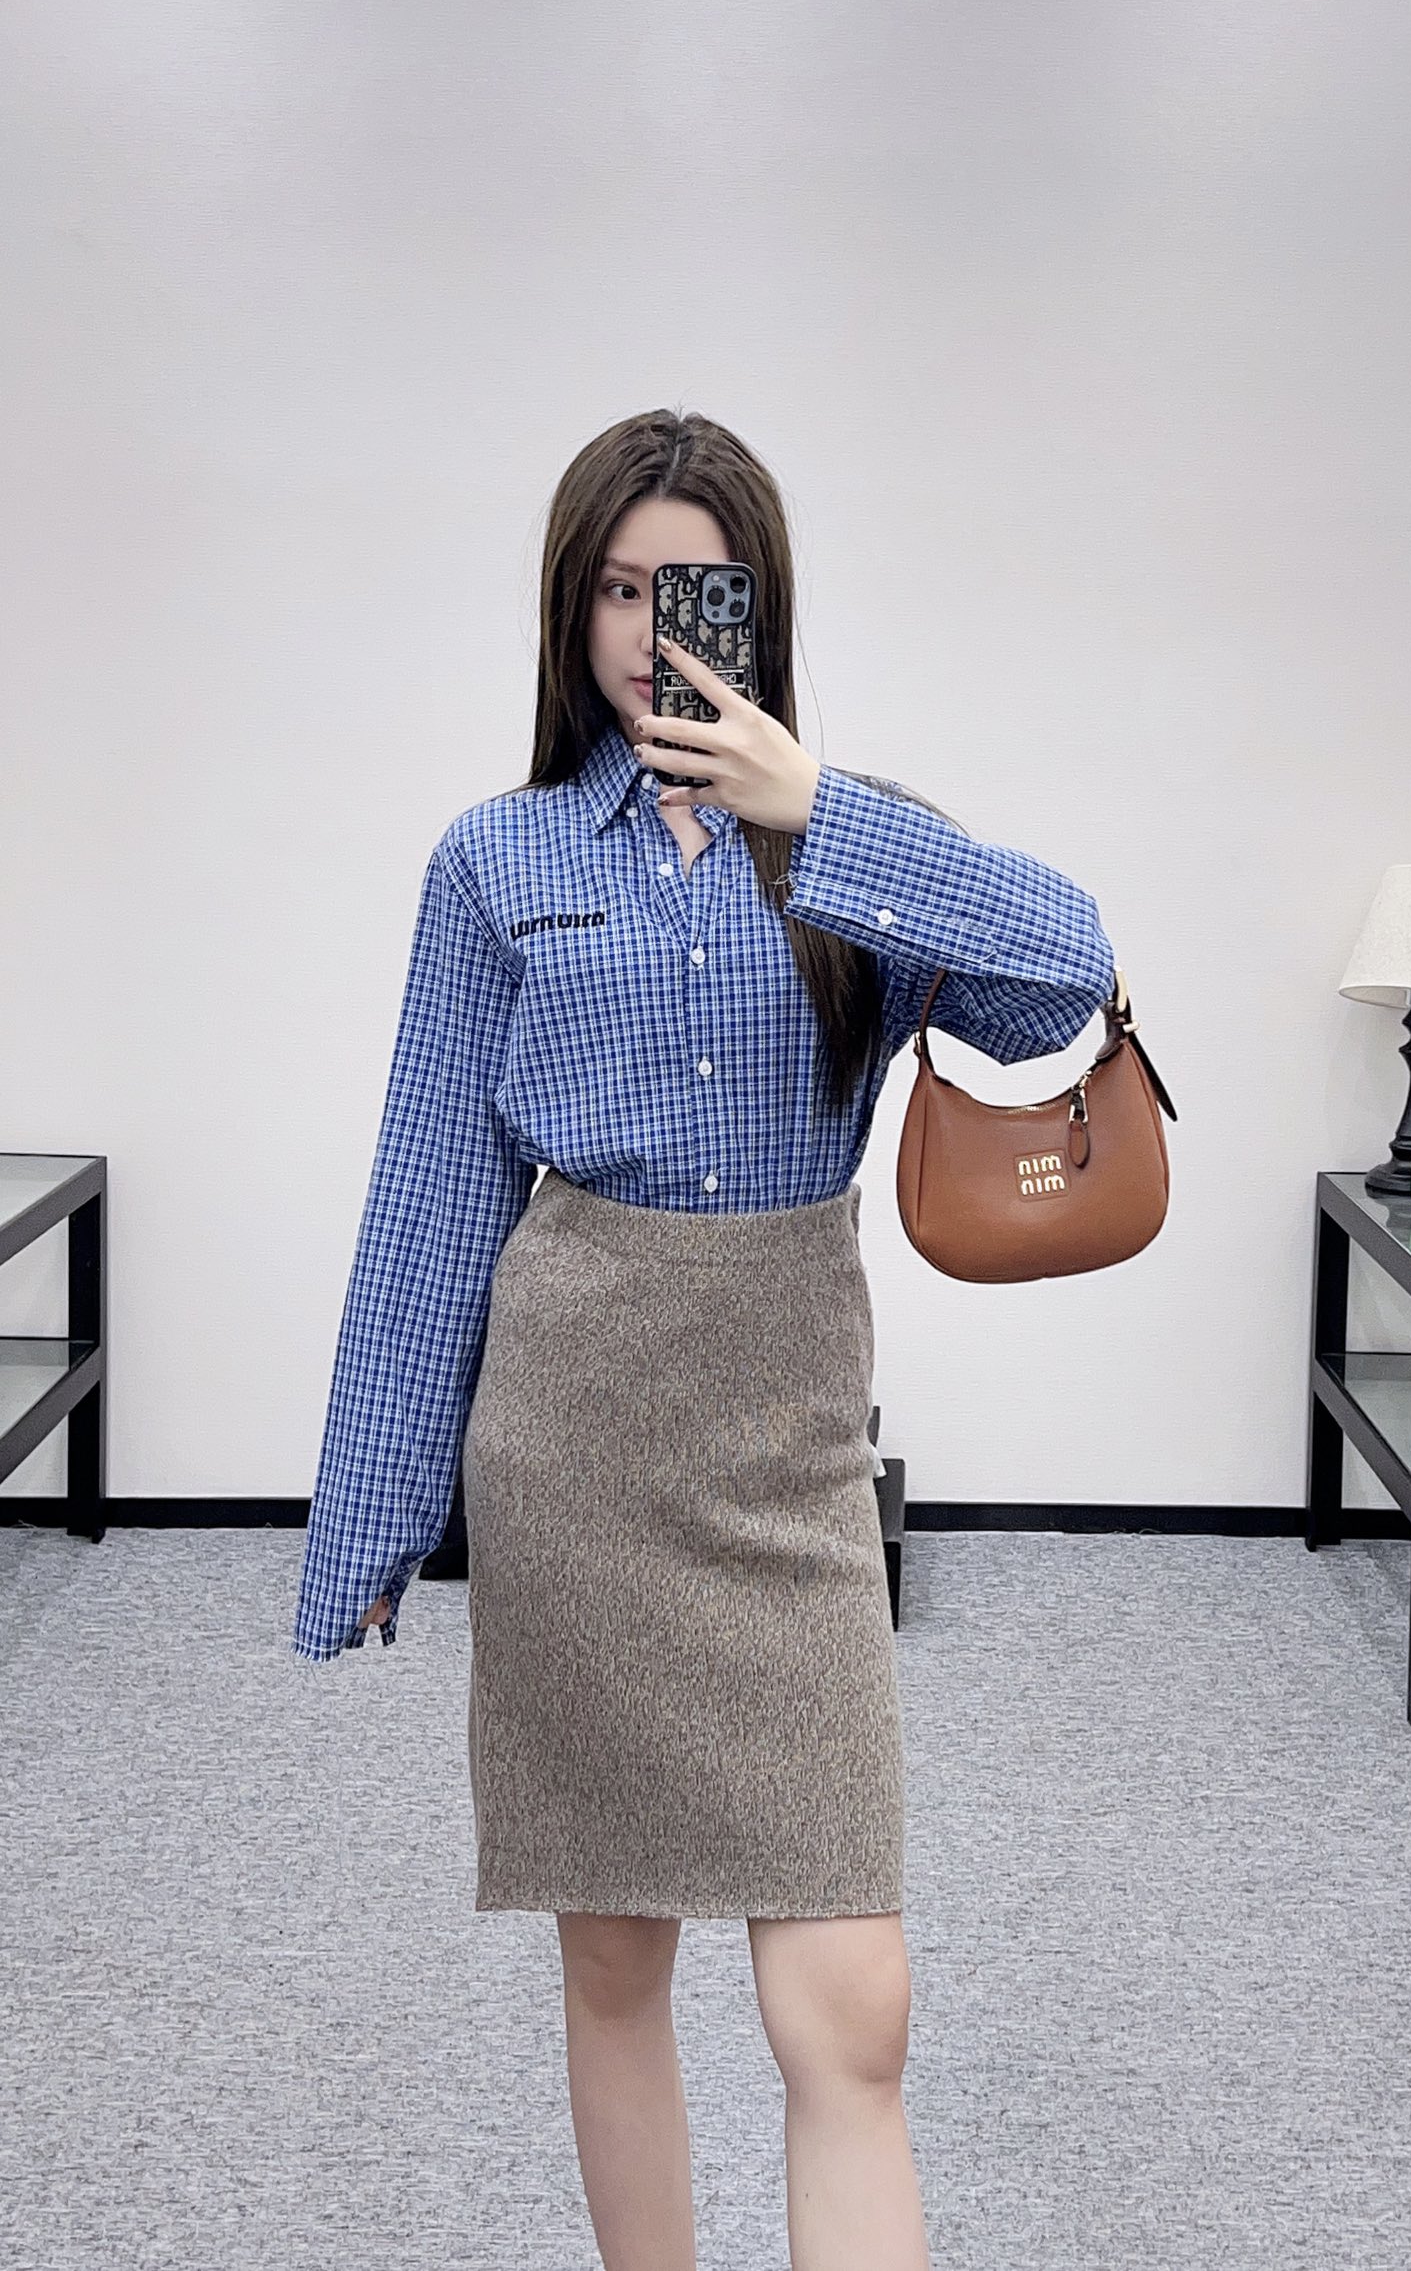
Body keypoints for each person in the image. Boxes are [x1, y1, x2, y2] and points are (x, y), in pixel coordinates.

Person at [292, 407, 1116, 2271]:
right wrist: (371, 1514)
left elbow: (1067, 972)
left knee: (856, 2004)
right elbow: (432, 1193)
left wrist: (817, 810)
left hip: (787, 1451)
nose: (650, 629)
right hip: (572, 1447)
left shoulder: (854, 841)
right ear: (568, 610)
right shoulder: (495, 859)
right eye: (617, 589)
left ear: (761, 609)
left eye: (693, 591)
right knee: (613, 1953)